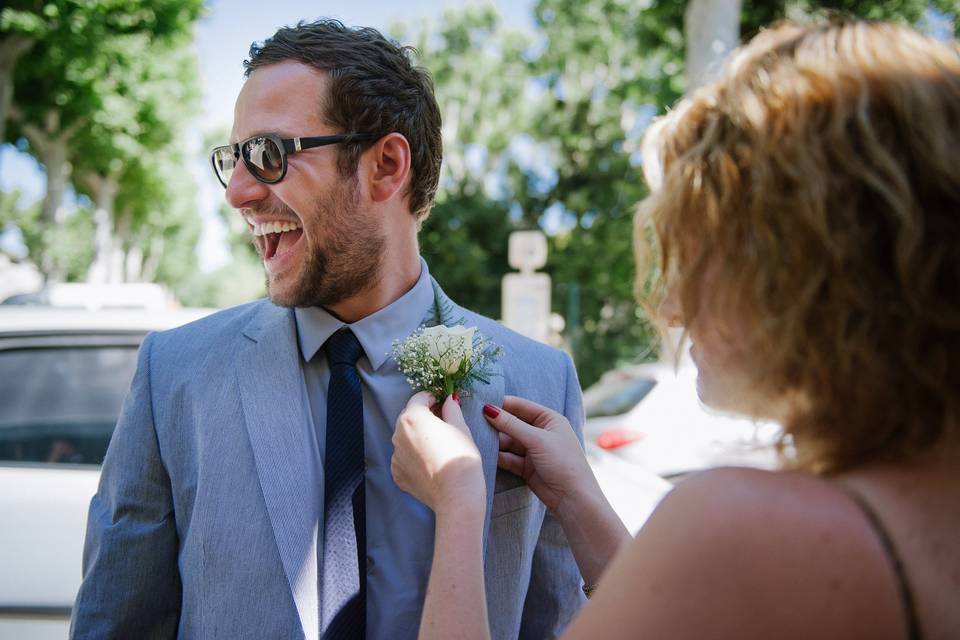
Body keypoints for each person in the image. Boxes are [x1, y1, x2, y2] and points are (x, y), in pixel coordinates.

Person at [391, 20, 960, 640]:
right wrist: (581, 502)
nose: (672, 308)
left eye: (699, 252)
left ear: (802, 263)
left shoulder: (739, 525)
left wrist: (457, 503)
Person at [70, 20, 585, 640]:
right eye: (232, 159)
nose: (237, 192)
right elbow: (115, 624)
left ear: (385, 166)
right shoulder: (173, 374)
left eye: (268, 155)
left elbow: (553, 624)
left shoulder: (540, 381)